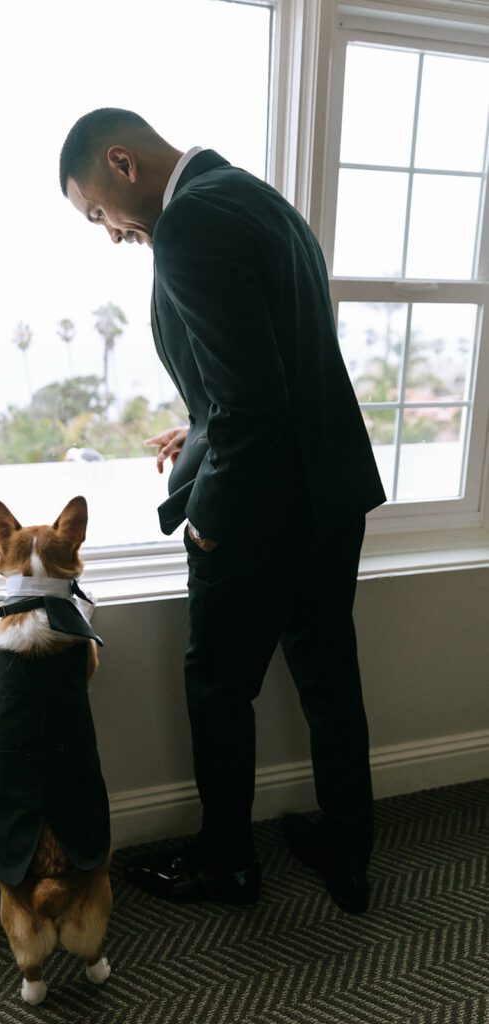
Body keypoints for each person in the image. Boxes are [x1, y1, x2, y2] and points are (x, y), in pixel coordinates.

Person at [59, 108, 386, 912]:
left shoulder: (190, 224)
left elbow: (254, 400)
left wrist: (207, 517)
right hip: (330, 491)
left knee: (216, 687)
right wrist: (202, 422)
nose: (107, 233)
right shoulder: (256, 196)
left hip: (261, 508)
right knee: (328, 680)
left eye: (97, 211)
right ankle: (348, 850)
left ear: (122, 162)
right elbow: (273, 361)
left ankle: (227, 862)